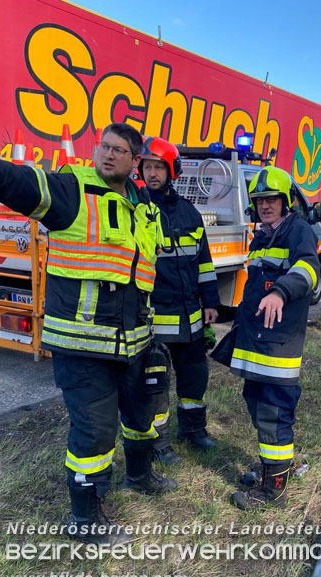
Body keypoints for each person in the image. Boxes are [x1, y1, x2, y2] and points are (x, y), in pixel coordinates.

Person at [0, 124, 176, 547]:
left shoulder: (145, 209)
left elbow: (147, 275)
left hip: (135, 343)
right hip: (83, 347)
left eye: (119, 150)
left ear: (134, 160)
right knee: (96, 434)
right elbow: (9, 178)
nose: (108, 155)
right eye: (103, 146)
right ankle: (85, 521)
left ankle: (139, 477)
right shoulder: (71, 193)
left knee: (141, 419)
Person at [227, 165, 320, 510]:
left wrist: (280, 293)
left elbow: (309, 269)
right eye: (260, 200)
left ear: (286, 201)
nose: (265, 205)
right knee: (256, 402)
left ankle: (273, 491)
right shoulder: (264, 234)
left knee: (273, 411)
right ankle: (272, 469)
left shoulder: (298, 231)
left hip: (278, 346)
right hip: (257, 341)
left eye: (271, 199)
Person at [141, 137, 221, 465]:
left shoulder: (189, 213)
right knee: (155, 380)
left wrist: (211, 302)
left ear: (171, 169)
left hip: (190, 315)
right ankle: (158, 443)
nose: (152, 173)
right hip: (154, 315)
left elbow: (203, 261)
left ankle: (193, 430)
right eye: (147, 166)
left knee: (195, 374)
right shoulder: (137, 209)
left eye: (158, 166)